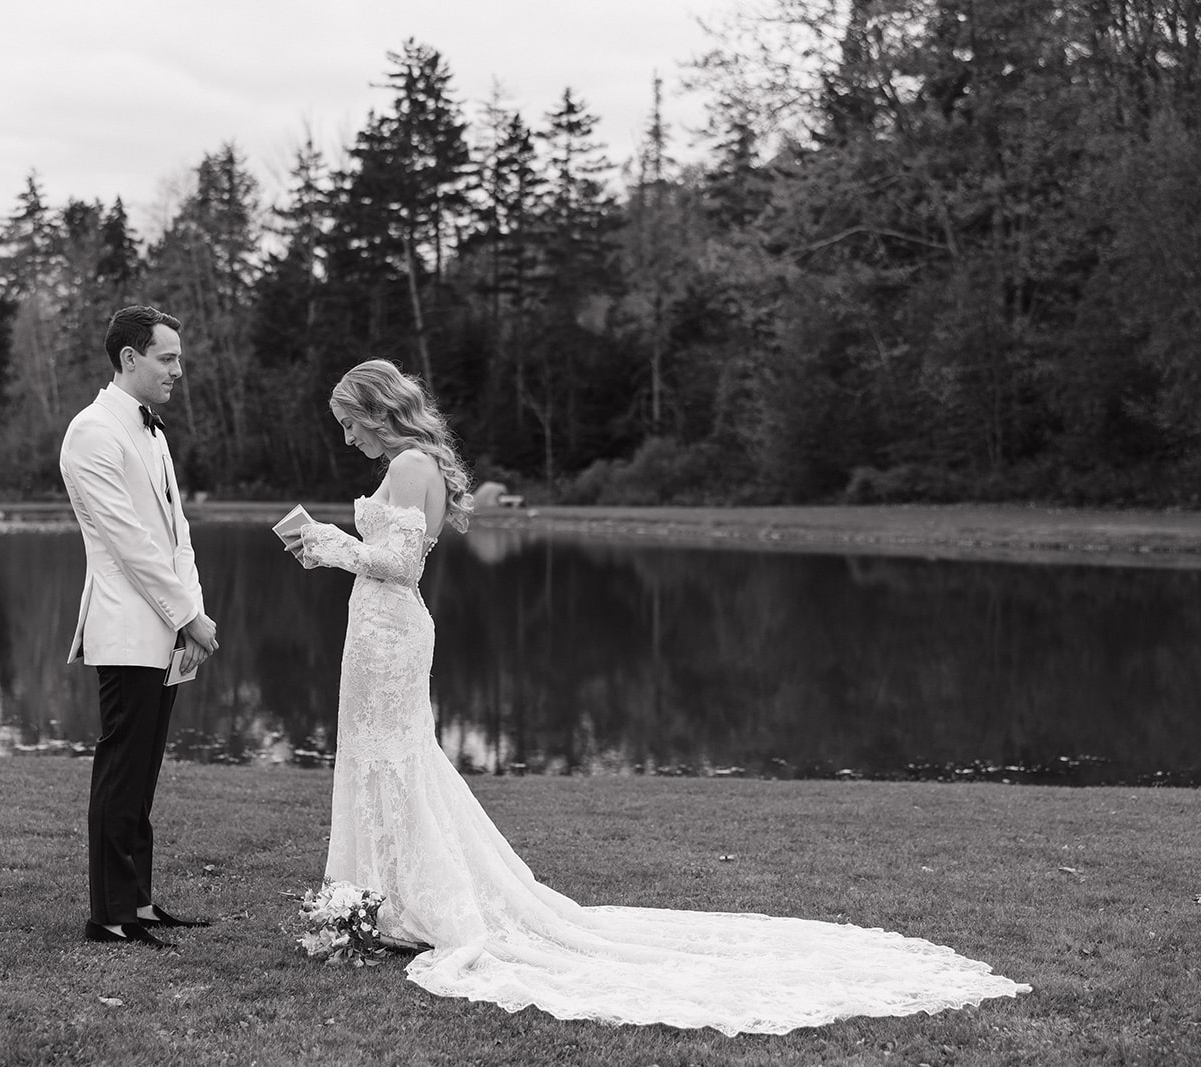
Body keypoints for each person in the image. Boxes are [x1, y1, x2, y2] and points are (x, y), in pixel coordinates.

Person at [283, 359, 1029, 1033]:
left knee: (399, 759)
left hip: (393, 631)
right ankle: (379, 895)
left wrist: (327, 543)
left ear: (378, 410)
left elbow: (402, 564)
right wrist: (333, 551)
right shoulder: (407, 462)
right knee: (383, 758)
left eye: (349, 420)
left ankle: (399, 900)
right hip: (375, 631)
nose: (345, 435)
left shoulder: (412, 464)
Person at [60, 304, 219, 949]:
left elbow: (177, 538)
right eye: (168, 358)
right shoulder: (93, 433)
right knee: (122, 770)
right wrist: (189, 616)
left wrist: (192, 618)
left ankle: (140, 904)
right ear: (130, 359)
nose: (178, 370)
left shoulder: (153, 433)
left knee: (145, 772)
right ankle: (108, 915)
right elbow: (130, 544)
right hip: (127, 628)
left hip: (167, 628)